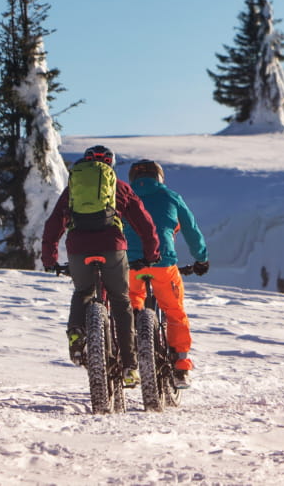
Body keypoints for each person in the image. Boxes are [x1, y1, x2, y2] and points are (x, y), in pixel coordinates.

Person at [41, 145, 161, 386]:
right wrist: (152, 253)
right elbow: (145, 223)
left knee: (83, 292)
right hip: (112, 247)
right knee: (120, 300)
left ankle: (76, 332)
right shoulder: (120, 187)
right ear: (110, 165)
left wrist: (50, 259)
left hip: (79, 248)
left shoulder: (72, 189)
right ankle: (129, 365)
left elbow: (54, 224)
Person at [123, 159, 209, 387]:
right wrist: (201, 259)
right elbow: (190, 229)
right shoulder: (171, 197)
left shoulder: (123, 196)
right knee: (174, 310)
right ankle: (181, 367)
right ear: (159, 177)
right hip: (163, 264)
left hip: (131, 265)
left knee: (129, 308)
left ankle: (128, 362)